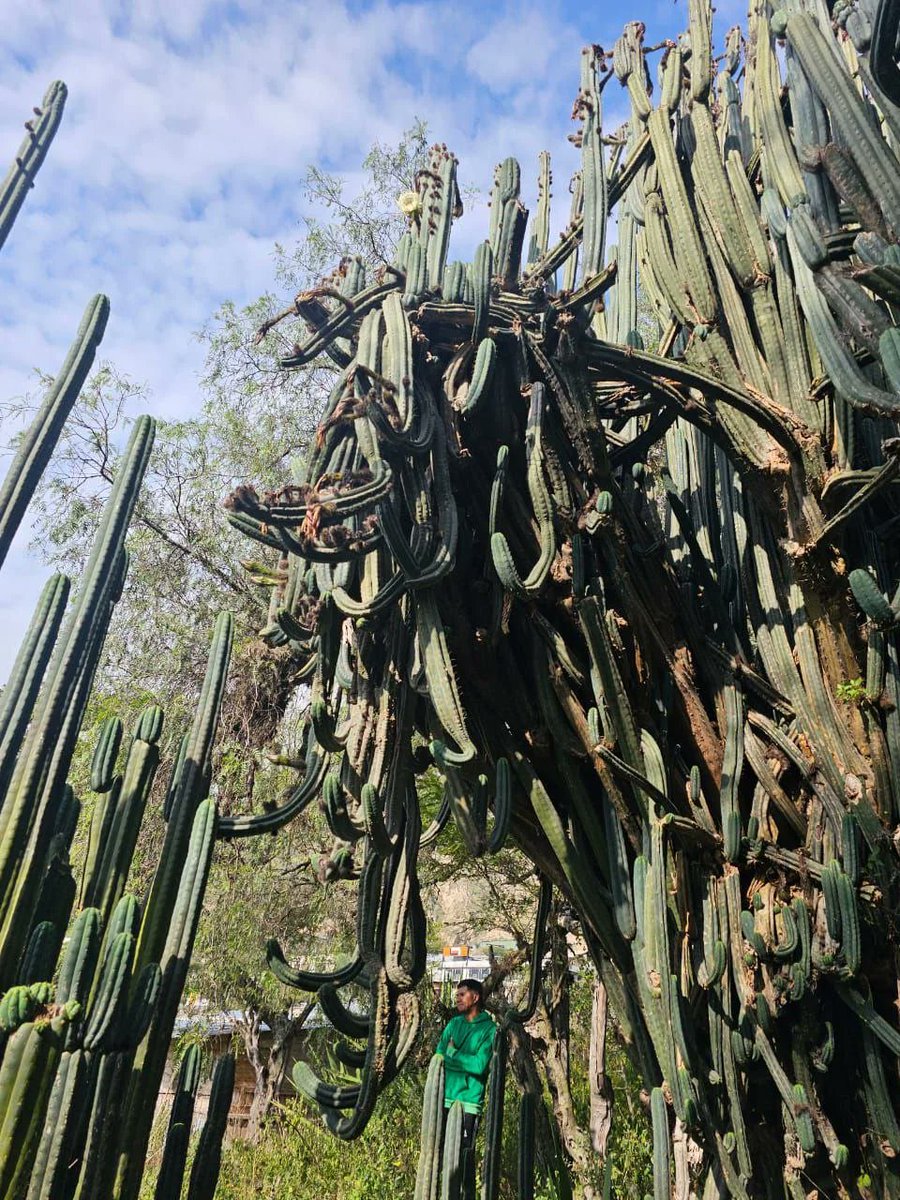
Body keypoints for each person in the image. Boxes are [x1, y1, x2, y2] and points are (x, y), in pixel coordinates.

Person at [435, 978, 495, 1195]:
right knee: (439, 1159)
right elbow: (439, 1055)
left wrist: (454, 1054)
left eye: (462, 994)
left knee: (463, 1160)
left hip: (469, 1104)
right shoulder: (453, 1024)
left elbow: (479, 1066)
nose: (457, 998)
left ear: (475, 997)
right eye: (457, 994)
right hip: (445, 1099)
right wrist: (460, 1058)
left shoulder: (489, 1030)